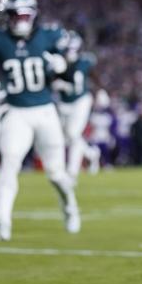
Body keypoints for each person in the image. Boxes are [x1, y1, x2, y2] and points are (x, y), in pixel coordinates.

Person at [0, 0, 79, 240]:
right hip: (16, 112)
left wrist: (64, 67)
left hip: (44, 112)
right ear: (6, 16)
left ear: (33, 15)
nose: (20, 21)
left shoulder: (50, 36)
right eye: (15, 16)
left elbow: (72, 74)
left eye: (24, 16)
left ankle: (70, 205)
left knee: (56, 174)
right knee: (9, 164)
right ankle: (3, 218)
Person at [53, 30, 99, 181]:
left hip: (80, 100)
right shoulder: (57, 60)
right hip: (64, 102)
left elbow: (92, 77)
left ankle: (72, 171)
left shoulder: (84, 61)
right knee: (67, 137)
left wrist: (100, 91)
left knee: (73, 134)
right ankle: (91, 154)